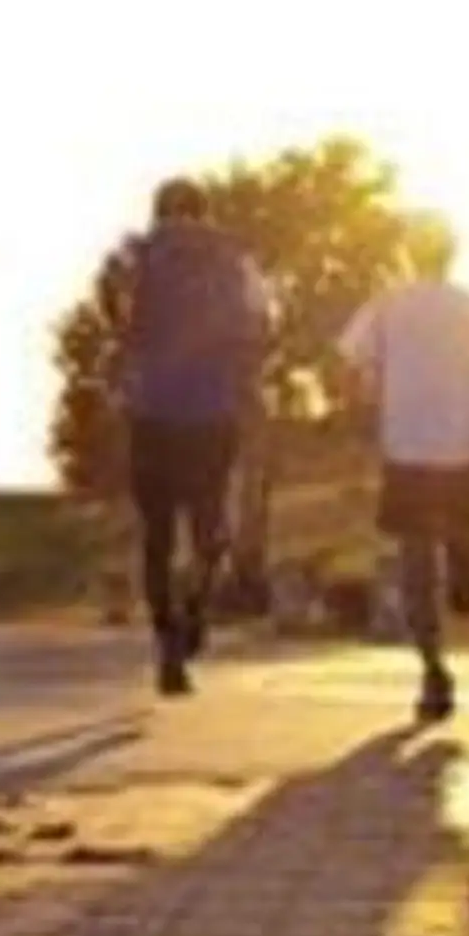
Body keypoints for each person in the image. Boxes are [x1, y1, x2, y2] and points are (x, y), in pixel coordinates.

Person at [338, 225, 469, 724]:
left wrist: (358, 422)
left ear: (406, 256)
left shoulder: (386, 308)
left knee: (416, 568)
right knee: (461, 531)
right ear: (453, 255)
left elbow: (351, 364)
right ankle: (464, 562)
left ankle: (433, 670)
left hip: (408, 448)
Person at [114, 178, 271, 696]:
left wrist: (129, 361)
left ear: (159, 211)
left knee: (157, 537)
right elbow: (260, 323)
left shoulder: (136, 253)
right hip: (213, 410)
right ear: (204, 211)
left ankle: (167, 646)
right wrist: (244, 376)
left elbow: (116, 314)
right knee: (207, 527)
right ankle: (196, 606)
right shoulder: (235, 259)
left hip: (152, 410)